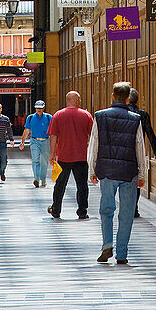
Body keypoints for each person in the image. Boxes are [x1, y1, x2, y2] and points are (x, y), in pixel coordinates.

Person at [88, 81, 146, 264]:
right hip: (128, 172)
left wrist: (92, 168)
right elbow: (139, 147)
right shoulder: (135, 119)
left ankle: (106, 245)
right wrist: (142, 173)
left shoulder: (100, 116)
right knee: (127, 213)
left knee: (106, 210)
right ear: (128, 98)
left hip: (106, 171)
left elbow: (94, 143)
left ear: (112, 96)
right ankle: (122, 253)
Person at [46, 91, 93, 220]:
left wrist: (52, 154)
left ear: (67, 101)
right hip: (81, 156)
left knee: (60, 184)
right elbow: (93, 135)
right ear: (77, 100)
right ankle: (82, 211)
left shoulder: (58, 115)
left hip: (63, 156)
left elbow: (53, 136)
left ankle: (56, 210)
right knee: (82, 185)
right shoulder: (86, 115)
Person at [128, 88, 156, 218]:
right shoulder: (142, 114)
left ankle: (127, 206)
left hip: (123, 151)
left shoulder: (121, 113)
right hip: (137, 151)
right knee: (136, 179)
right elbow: (150, 133)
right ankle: (134, 208)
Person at [20, 99, 52, 187]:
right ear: (35, 108)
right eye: (38, 108)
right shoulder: (30, 118)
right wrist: (22, 142)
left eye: (41, 108)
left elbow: (53, 131)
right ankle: (36, 178)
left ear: (44, 108)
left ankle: (43, 179)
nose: (39, 110)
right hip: (34, 141)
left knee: (44, 162)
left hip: (45, 141)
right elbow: (26, 130)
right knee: (35, 160)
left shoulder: (49, 117)